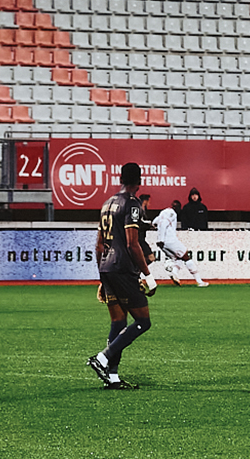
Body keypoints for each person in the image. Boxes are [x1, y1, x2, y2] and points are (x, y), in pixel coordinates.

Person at [87, 162, 154, 390]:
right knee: (143, 321)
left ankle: (112, 377)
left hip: (107, 267)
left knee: (118, 321)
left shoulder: (107, 204)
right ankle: (102, 358)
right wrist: (148, 275)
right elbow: (132, 243)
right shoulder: (132, 204)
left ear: (120, 179)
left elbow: (98, 245)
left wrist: (102, 277)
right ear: (140, 180)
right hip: (123, 268)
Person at [152, 199, 210, 287]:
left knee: (178, 258)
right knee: (186, 256)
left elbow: (155, 222)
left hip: (163, 243)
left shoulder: (163, 212)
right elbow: (164, 223)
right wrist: (161, 239)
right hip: (169, 240)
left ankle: (174, 273)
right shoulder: (172, 213)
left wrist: (159, 237)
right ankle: (199, 281)